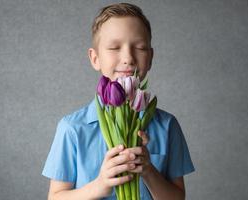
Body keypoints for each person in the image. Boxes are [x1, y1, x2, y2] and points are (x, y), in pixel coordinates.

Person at [42, 3, 195, 200]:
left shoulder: (167, 125)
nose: (128, 58)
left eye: (139, 47)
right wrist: (100, 185)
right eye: (114, 47)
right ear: (95, 58)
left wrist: (148, 170)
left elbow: (178, 197)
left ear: (150, 57)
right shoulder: (72, 128)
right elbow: (55, 197)